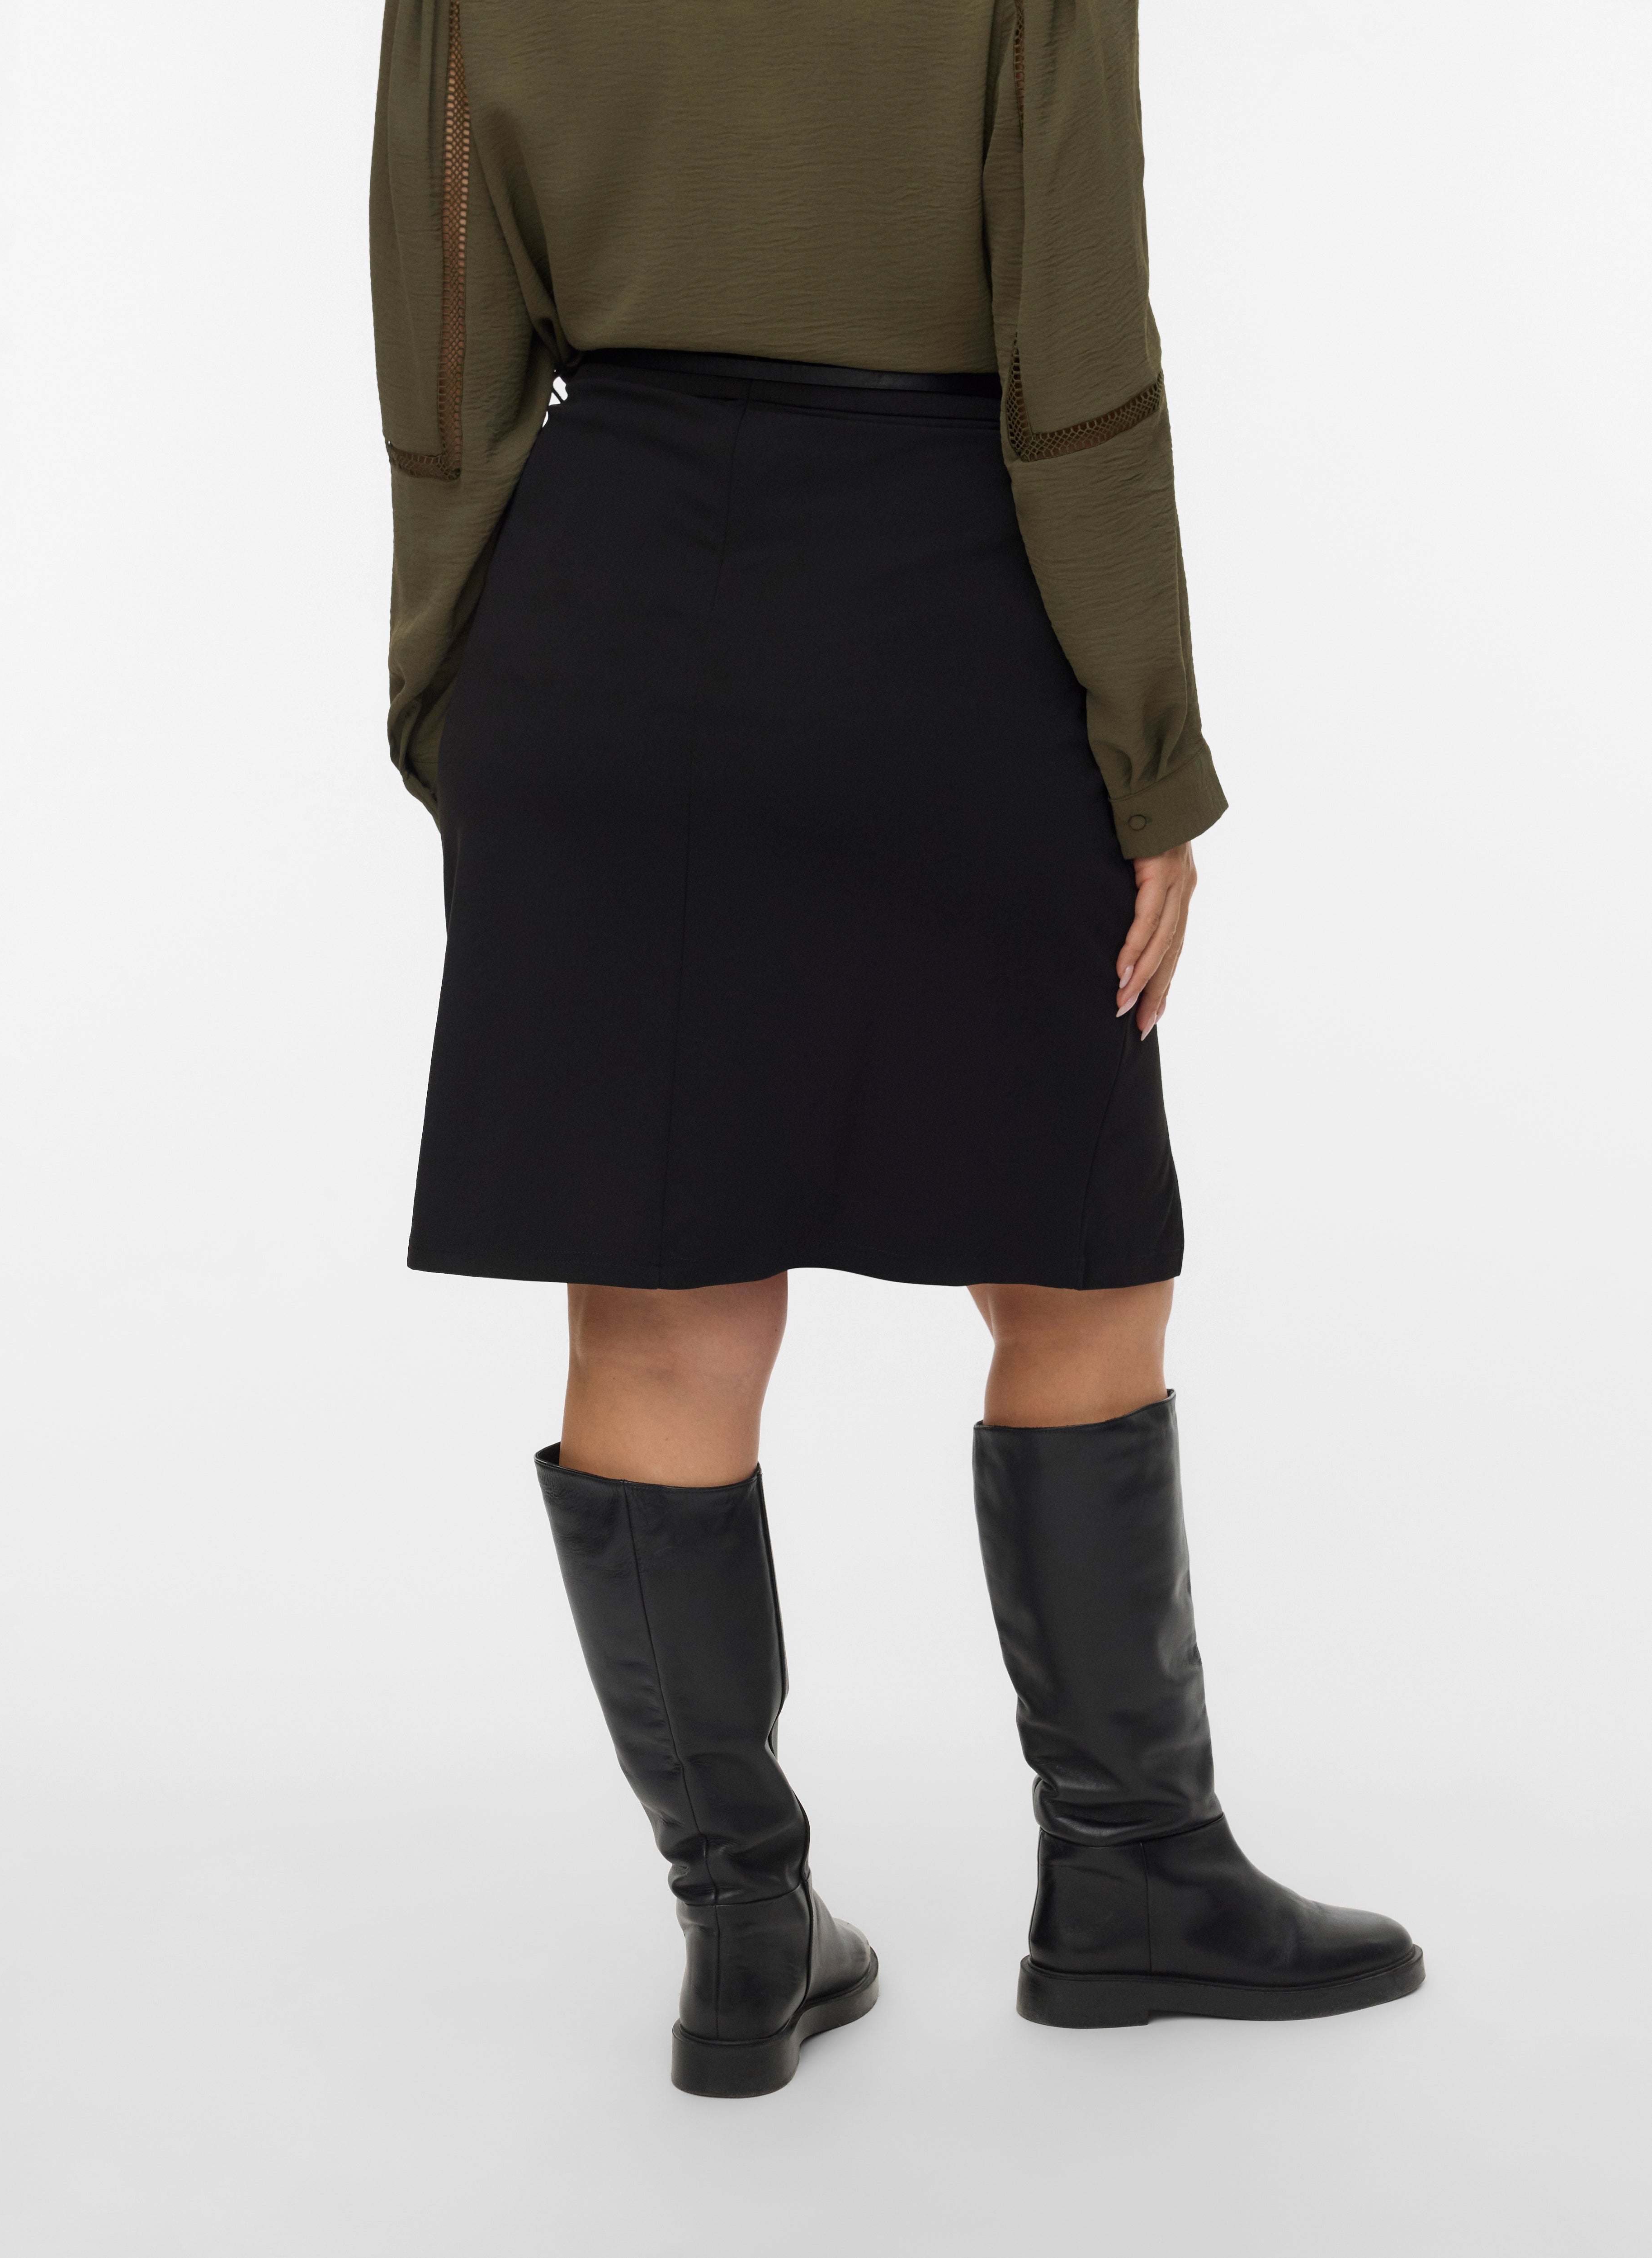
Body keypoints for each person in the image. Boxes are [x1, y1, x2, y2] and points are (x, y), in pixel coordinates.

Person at [369, 0, 1422, 2098]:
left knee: (656, 1308)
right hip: (947, 610)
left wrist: (449, 693)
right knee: (1074, 1266)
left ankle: (741, 1926)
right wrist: (1149, 753)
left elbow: (446, 332)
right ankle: (1130, 1870)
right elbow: (1075, 339)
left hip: (601, 598)